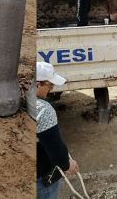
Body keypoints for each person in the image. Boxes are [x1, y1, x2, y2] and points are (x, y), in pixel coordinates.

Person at [36, 62, 79, 199]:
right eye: (50, 85)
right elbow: (55, 149)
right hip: (41, 178)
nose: (52, 89)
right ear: (37, 84)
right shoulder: (43, 109)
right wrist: (67, 164)